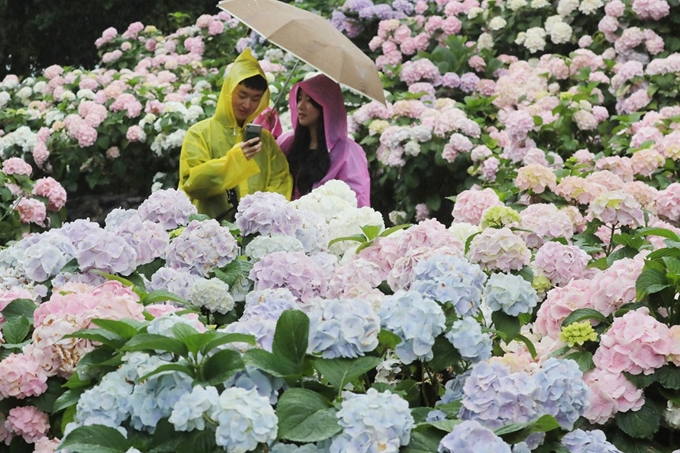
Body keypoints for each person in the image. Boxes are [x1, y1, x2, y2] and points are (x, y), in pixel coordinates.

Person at [178, 48, 293, 220]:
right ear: (228, 91)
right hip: (208, 233)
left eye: (255, 99)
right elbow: (193, 183)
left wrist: (259, 214)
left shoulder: (266, 140)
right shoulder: (199, 133)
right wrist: (234, 161)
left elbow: (281, 181)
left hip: (255, 233)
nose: (247, 105)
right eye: (242, 95)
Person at [274, 74, 371, 207]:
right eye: (299, 98)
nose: (301, 106)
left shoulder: (347, 152)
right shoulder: (288, 142)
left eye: (309, 100)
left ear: (325, 105)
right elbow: (269, 168)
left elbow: (358, 198)